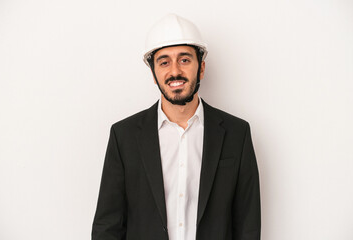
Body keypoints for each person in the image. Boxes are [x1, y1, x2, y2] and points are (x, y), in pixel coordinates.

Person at [92, 14, 261, 240]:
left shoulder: (236, 134)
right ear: (153, 73)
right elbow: (107, 226)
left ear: (201, 68)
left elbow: (247, 226)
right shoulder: (124, 137)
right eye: (164, 62)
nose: (175, 72)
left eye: (184, 60)